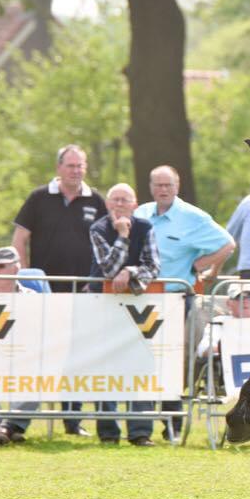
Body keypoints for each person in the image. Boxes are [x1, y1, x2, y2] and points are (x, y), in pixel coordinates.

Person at [12, 144, 107, 437]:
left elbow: (107, 243)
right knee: (35, 355)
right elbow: (19, 239)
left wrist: (96, 280)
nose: (76, 171)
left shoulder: (97, 200)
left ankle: (72, 420)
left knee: (75, 358)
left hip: (83, 293)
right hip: (42, 294)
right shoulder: (39, 197)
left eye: (80, 166)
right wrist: (26, 278)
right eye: (70, 165)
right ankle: (16, 422)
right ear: (59, 167)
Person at [135, 165, 235, 441]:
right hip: (141, 299)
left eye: (168, 185)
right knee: (141, 360)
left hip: (176, 300)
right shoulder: (141, 213)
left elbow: (227, 244)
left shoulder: (193, 217)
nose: (163, 190)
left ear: (177, 187)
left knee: (171, 361)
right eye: (158, 185)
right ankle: (140, 427)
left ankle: (173, 425)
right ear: (151, 187)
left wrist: (202, 265)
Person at [89, 183, 161, 446]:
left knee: (140, 365)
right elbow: (108, 269)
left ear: (135, 205)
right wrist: (122, 235)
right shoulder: (97, 229)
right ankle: (108, 432)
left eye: (125, 200)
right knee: (104, 366)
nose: (119, 204)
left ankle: (140, 432)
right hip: (102, 305)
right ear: (108, 204)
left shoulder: (146, 227)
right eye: (115, 200)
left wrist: (130, 271)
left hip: (138, 306)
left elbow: (153, 265)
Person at [0, 247, 40, 446]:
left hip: (24, 355)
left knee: (40, 371)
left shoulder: (33, 298)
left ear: (15, 269)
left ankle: (5, 428)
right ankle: (5, 426)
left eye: (0, 266)